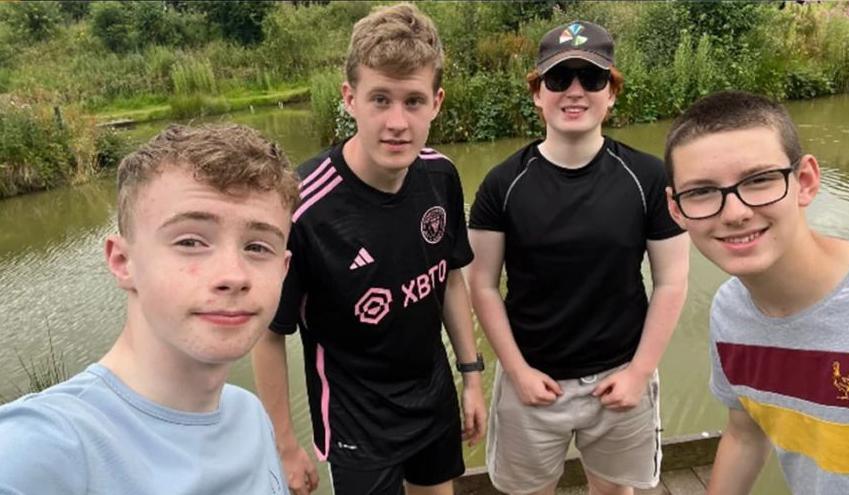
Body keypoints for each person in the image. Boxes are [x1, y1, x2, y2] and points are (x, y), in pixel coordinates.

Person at [251, 4, 486, 495]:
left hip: (431, 393)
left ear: (437, 102)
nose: (397, 122)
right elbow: (269, 334)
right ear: (349, 98)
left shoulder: (440, 176)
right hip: (356, 417)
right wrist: (285, 444)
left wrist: (472, 376)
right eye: (380, 99)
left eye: (413, 101)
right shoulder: (302, 208)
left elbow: (448, 278)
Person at [0, 124, 298, 494]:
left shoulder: (250, 417)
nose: (234, 276)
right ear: (123, 261)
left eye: (257, 247)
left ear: (284, 270)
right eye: (191, 241)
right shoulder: (41, 452)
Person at [468, 20, 690, 495]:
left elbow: (672, 281)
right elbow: (482, 284)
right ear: (537, 93)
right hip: (531, 379)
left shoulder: (648, 178)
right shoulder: (502, 184)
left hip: (620, 378)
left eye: (590, 79)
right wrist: (518, 371)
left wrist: (639, 372)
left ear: (611, 93)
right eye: (558, 79)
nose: (574, 91)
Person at [664, 90, 849, 495]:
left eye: (759, 180)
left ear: (805, 181)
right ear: (676, 211)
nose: (735, 213)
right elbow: (746, 434)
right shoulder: (730, 313)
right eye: (701, 192)